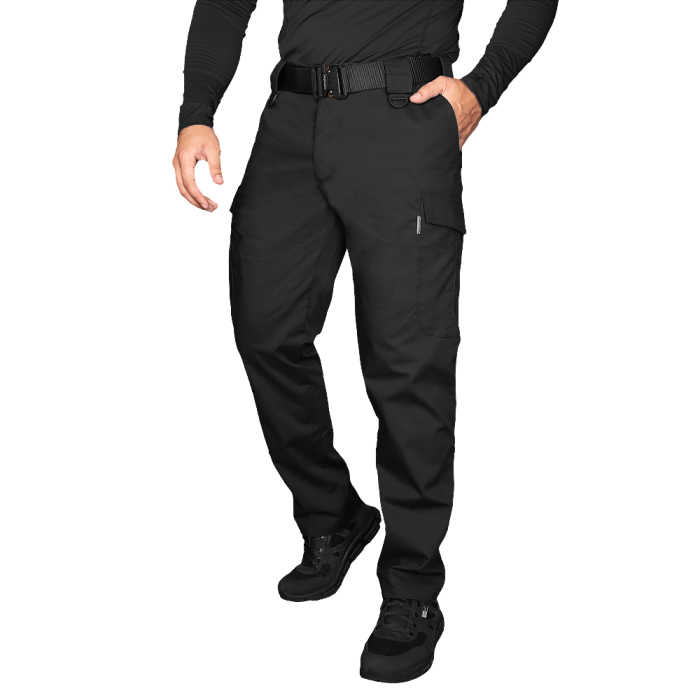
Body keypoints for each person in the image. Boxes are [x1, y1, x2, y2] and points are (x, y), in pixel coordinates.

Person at [173, 0, 557, 684]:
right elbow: (226, 4)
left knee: (407, 361)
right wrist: (196, 112)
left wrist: (484, 83)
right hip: (289, 119)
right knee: (265, 332)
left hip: (401, 114)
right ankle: (334, 515)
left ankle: (413, 587)